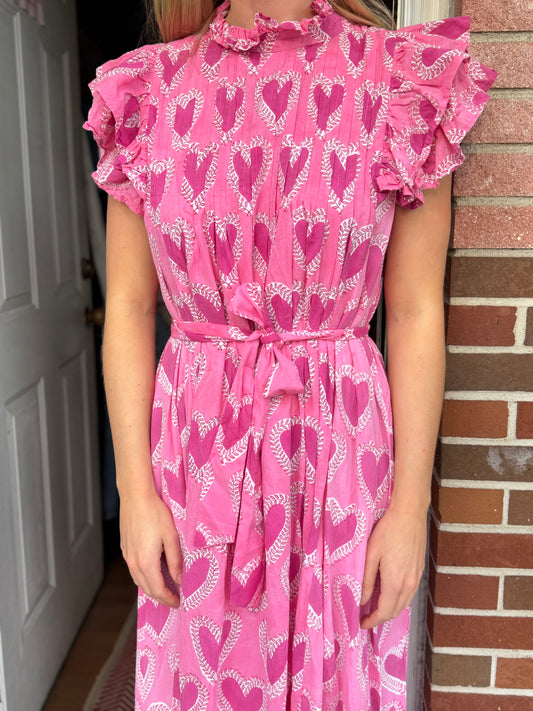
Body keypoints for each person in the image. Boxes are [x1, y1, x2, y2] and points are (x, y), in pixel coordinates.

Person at [82, 0, 496, 707]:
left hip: (341, 452)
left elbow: (415, 309)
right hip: (197, 456)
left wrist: (409, 508)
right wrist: (135, 494)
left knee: (336, 674)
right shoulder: (149, 92)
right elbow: (125, 306)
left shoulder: (398, 82)